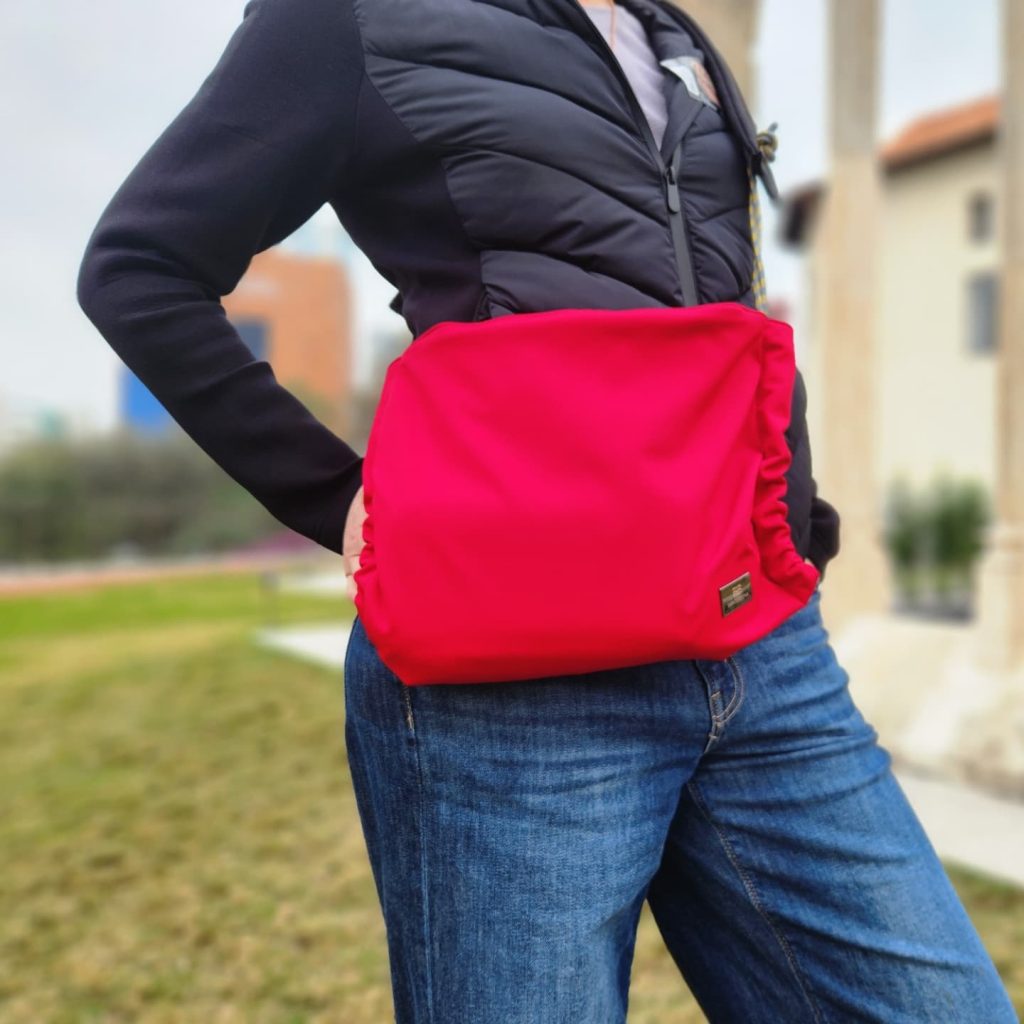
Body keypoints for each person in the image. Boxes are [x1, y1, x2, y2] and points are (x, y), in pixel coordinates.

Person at [76, 0, 1019, 1021]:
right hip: (516, 690)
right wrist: (336, 493)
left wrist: (791, 515)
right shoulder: (353, 17)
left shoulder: (671, 34)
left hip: (763, 653)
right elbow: (140, 268)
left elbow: (715, 308)